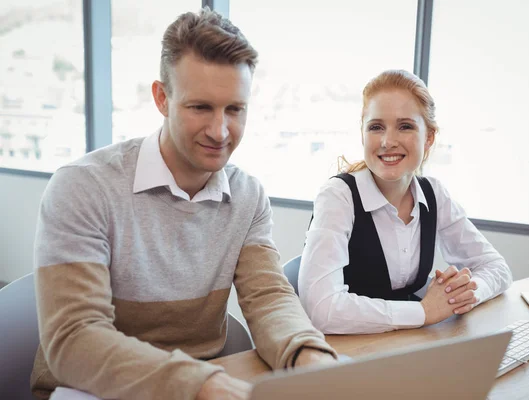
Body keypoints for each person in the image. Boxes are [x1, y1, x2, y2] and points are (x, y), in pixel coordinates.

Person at [31, 8, 336, 400]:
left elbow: (268, 297)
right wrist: (197, 383)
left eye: (235, 109)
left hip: (201, 383)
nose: (220, 130)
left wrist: (312, 361)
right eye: (200, 108)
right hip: (90, 388)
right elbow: (74, 339)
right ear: (162, 98)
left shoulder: (248, 196)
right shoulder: (83, 187)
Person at [298, 69, 513, 334]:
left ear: (429, 138)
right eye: (376, 127)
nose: (388, 141)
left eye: (405, 126)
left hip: (407, 344)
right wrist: (424, 311)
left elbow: (497, 268)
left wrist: (464, 293)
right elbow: (322, 310)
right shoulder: (338, 196)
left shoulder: (433, 194)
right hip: (343, 351)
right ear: (363, 134)